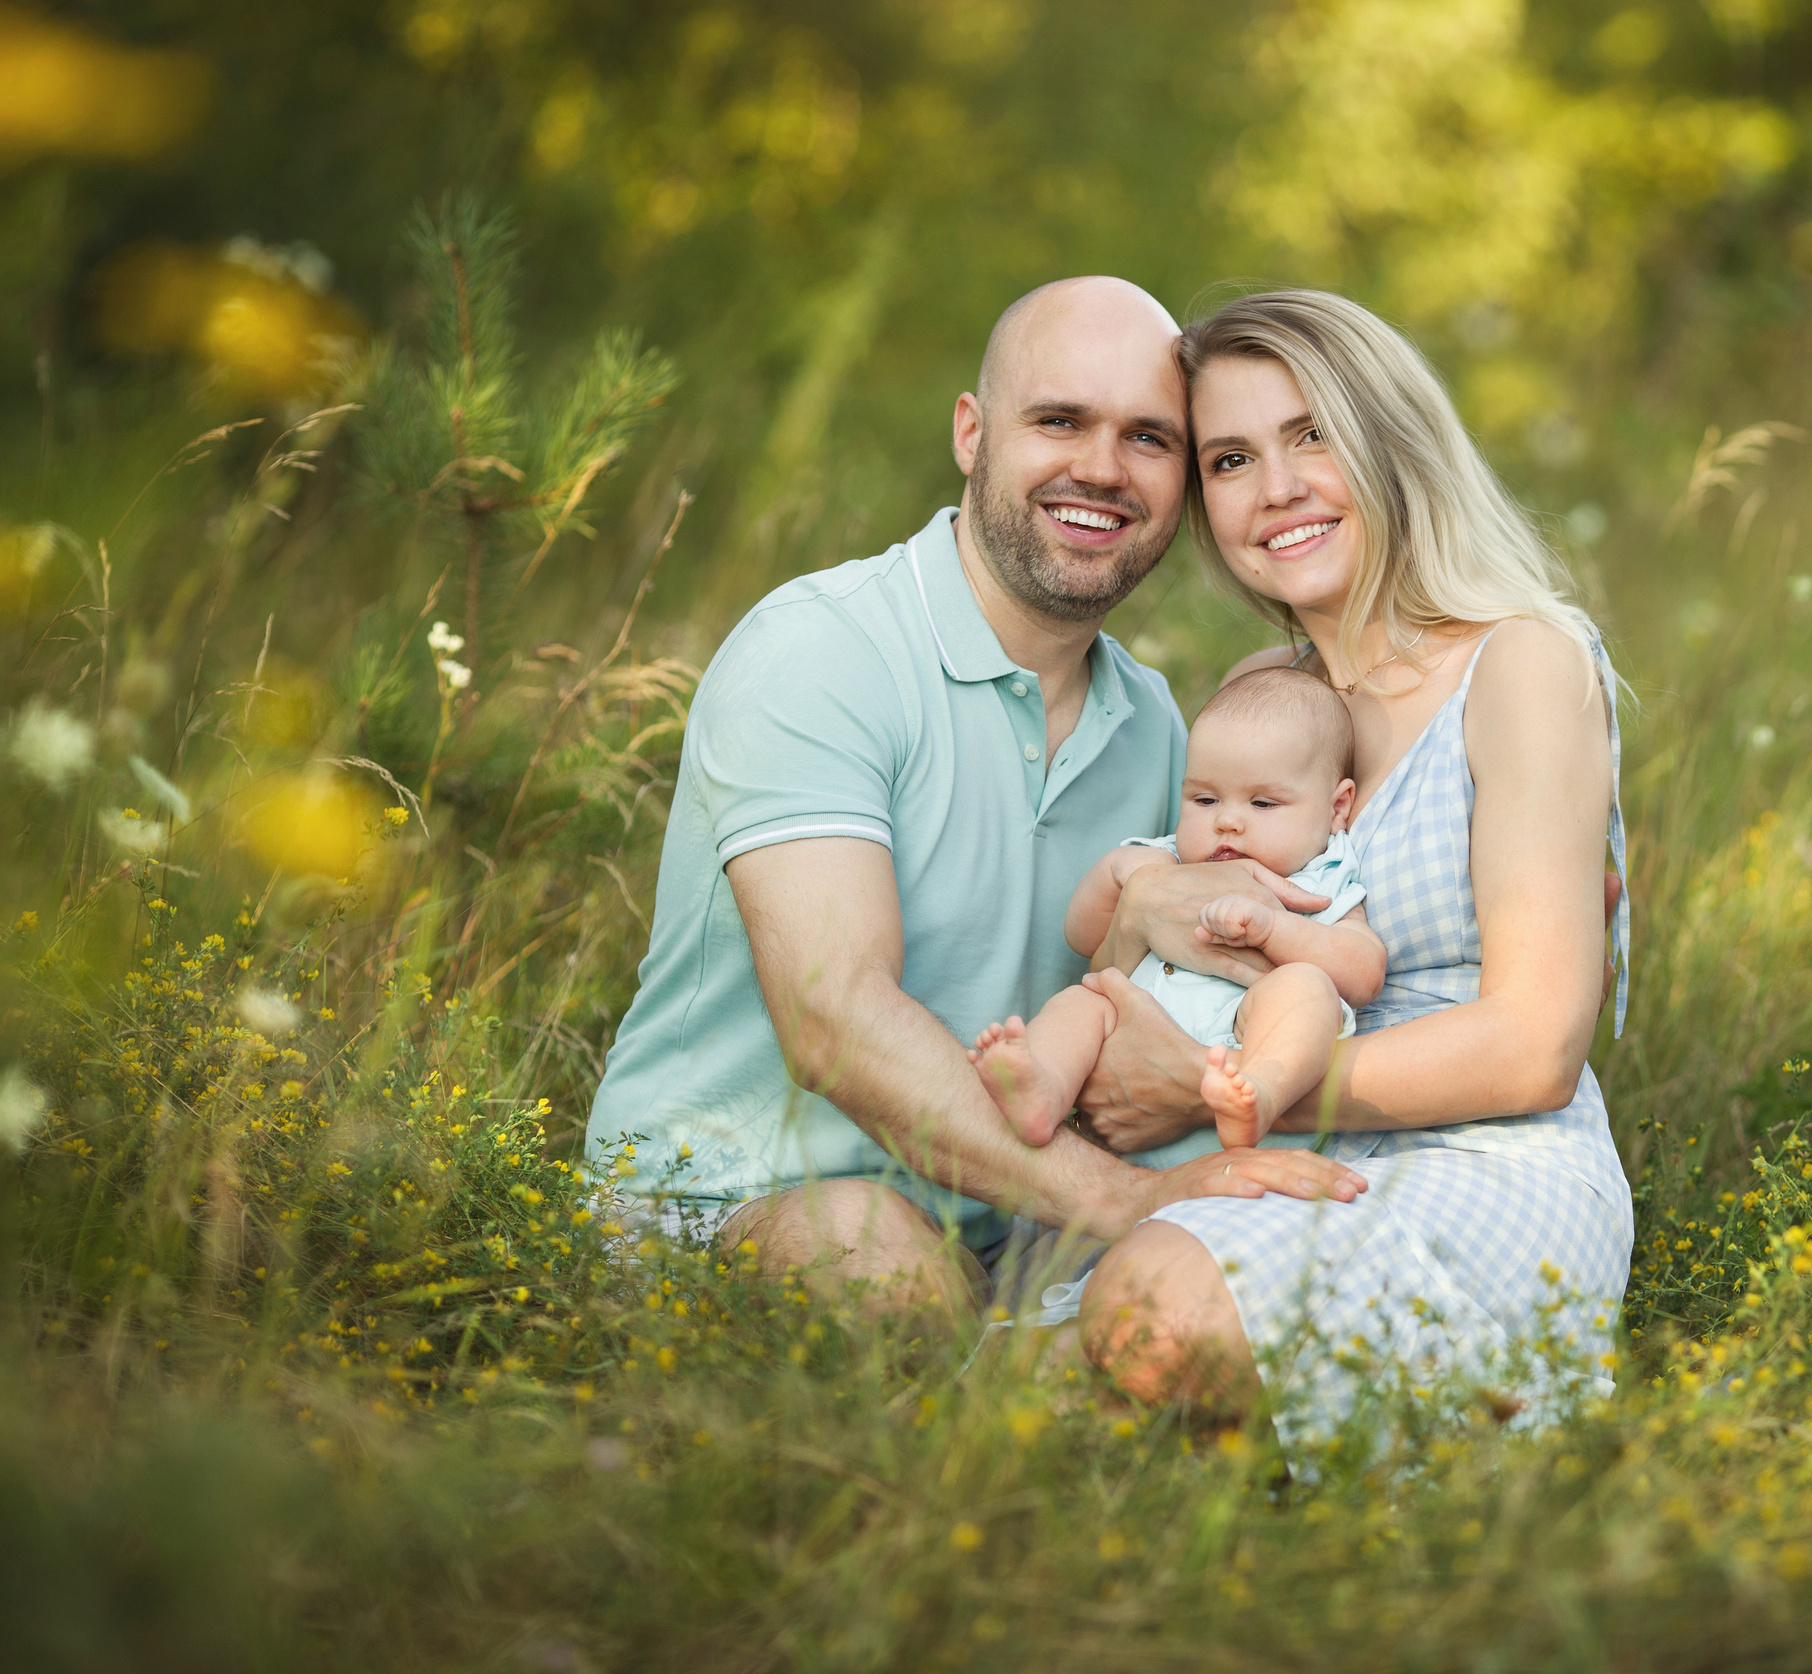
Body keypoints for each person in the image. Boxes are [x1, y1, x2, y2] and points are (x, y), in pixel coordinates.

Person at [583, 278, 1368, 1313]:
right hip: (733, 1199)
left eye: (1148, 439)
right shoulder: (822, 650)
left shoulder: (1161, 737)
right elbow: (836, 1022)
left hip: (1011, 1226)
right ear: (970, 433)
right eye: (1058, 421)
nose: (1100, 468)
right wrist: (1135, 1201)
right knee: (877, 1262)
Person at [1067, 289, 1636, 1446]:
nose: (1275, 488)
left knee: (1148, 1320)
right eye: (1231, 457)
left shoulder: (1519, 663)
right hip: (1270, 1149)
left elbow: (1533, 1045)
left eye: (1311, 435)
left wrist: (1207, 1084)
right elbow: (1166, 913)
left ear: (1390, 441)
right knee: (993, 1384)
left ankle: (1417, 1454)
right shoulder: (1260, 699)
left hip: (1480, 1157)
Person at [968, 665, 1382, 1157]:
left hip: (1241, 1044)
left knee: (1303, 990)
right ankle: (1044, 1088)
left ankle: (1260, 1095)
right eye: (1204, 799)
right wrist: (1121, 874)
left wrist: (1275, 929)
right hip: (1129, 1057)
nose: (1227, 820)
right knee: (1086, 1001)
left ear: (1337, 808)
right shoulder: (1168, 860)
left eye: (1264, 804)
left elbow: (1363, 971)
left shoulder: (1322, 878)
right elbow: (1081, 935)